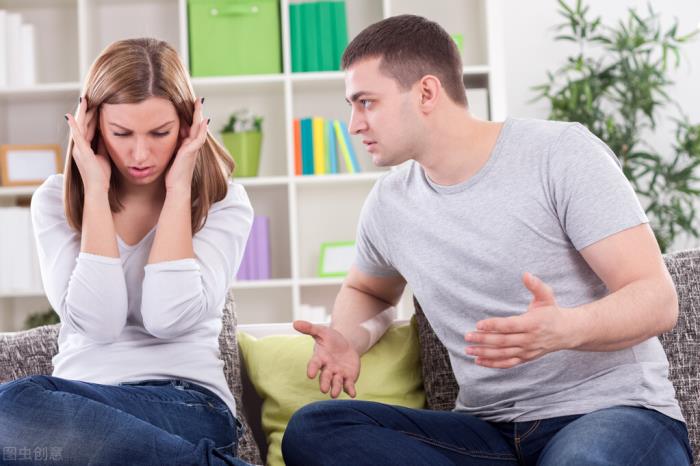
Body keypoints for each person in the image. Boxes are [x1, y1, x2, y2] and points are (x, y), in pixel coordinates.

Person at [281, 15, 693, 466]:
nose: (354, 125)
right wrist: (349, 338)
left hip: (610, 412)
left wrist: (566, 329)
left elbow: (657, 300)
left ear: (426, 93)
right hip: (488, 433)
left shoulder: (560, 154)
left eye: (366, 103)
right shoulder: (389, 203)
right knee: (315, 429)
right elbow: (369, 290)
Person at [0, 38, 254, 466]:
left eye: (160, 133)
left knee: (12, 408)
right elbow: (99, 324)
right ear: (92, 126)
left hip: (186, 404)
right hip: (82, 403)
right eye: (121, 134)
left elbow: (168, 318)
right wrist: (96, 193)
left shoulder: (223, 202)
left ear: (188, 125)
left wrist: (178, 190)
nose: (140, 154)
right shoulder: (55, 202)